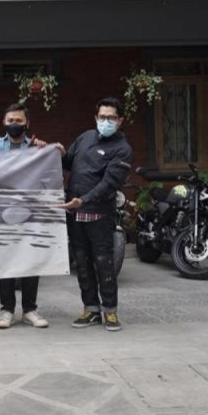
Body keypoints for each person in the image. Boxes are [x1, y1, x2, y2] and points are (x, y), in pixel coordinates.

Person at [0, 102, 59, 330]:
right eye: (10, 120)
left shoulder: (36, 147)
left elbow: (49, 172)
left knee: (31, 260)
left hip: (30, 212)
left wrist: (50, 151)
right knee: (5, 261)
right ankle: (6, 310)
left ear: (27, 123)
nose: (14, 124)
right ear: (4, 122)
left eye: (19, 121)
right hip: (1, 212)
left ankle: (30, 310)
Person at [59, 98, 133, 332]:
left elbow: (109, 184)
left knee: (104, 263)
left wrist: (84, 200)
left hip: (99, 214)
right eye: (102, 117)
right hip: (75, 212)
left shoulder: (123, 149)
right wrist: (59, 152)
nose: (106, 121)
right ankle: (90, 309)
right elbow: (68, 163)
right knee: (82, 263)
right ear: (96, 118)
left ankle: (110, 310)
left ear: (120, 121)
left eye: (111, 118)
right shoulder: (85, 137)